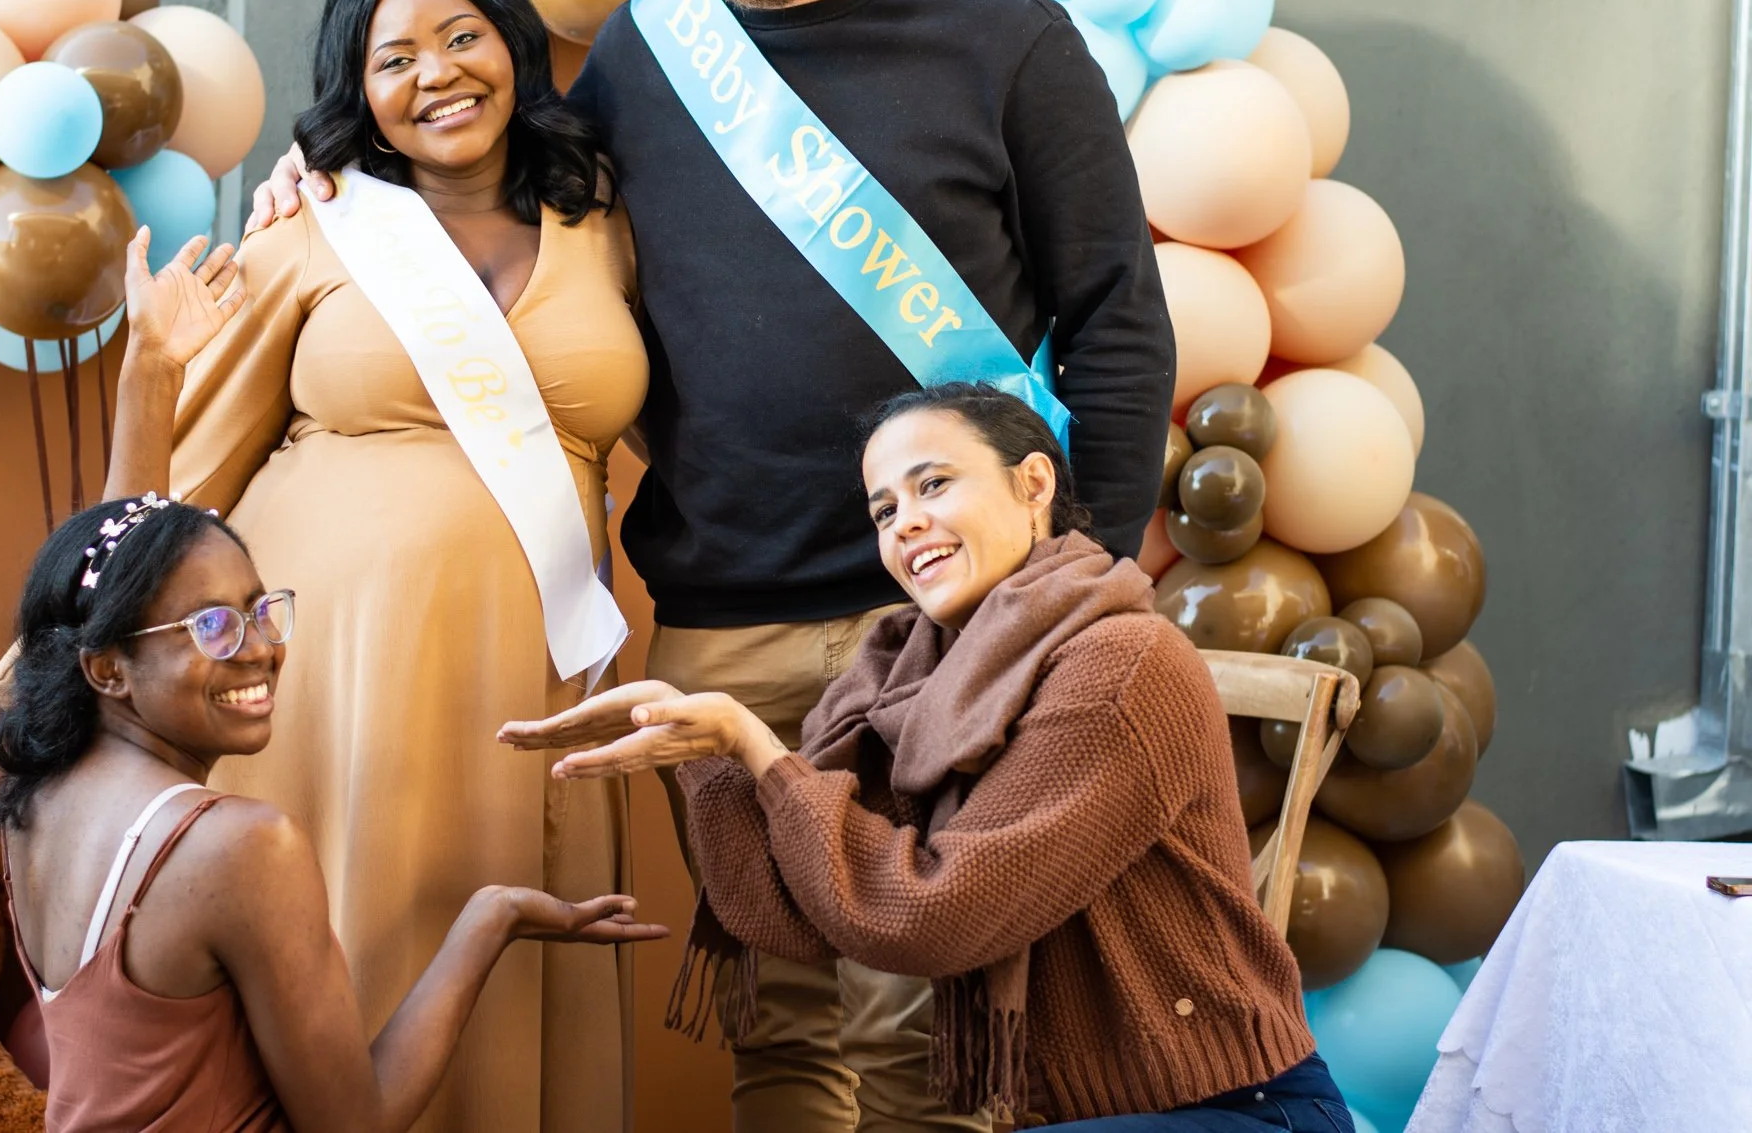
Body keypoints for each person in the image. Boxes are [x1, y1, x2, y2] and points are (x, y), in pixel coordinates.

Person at [253, 0, 1173, 1127]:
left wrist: (1076, 577)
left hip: (949, 622)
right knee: (781, 1040)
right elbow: (501, 184)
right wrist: (324, 165)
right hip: (718, 630)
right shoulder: (645, 52)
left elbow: (1115, 317)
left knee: (930, 1043)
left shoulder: (1006, 40)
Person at [0, 0, 652, 1133]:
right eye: (393, 58)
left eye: (462, 36)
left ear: (514, 46)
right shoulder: (316, 227)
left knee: (511, 956)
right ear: (356, 90)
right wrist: (4, 690)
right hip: (323, 680)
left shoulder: (605, 223)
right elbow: (159, 503)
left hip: (525, 670)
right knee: (339, 969)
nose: (437, 73)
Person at [497, 385, 1345, 1130]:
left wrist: (756, 745)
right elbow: (800, 912)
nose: (905, 522)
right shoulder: (909, 672)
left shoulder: (1118, 663)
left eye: (933, 483)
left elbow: (934, 913)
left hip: (1238, 1109)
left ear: (1034, 484)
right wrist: (711, 749)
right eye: (883, 510)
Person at [0, 492, 666, 1132]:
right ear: (107, 668)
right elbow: (355, 1123)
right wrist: (492, 918)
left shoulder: (32, 805)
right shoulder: (240, 846)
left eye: (260, 611)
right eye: (211, 626)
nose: (260, 648)